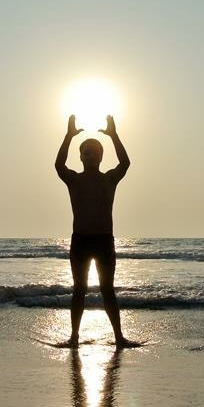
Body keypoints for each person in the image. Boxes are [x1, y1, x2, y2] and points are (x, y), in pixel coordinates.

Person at [55, 114, 138, 348]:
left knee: (107, 290)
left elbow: (125, 164)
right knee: (79, 289)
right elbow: (59, 165)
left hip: (104, 241)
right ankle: (73, 337)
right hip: (80, 241)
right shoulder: (73, 180)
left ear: (101, 157)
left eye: (95, 152)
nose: (90, 155)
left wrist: (113, 136)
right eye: (86, 152)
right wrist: (68, 137)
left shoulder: (110, 179)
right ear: (80, 157)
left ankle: (119, 337)